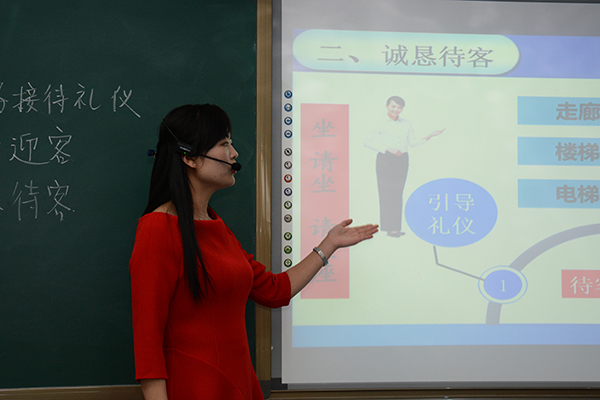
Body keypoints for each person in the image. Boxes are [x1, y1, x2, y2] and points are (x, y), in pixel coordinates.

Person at [129, 104, 378, 400]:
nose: (234, 154)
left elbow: (275, 290)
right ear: (189, 157)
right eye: (224, 144)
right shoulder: (158, 229)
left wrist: (329, 244)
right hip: (195, 388)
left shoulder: (215, 225)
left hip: (238, 384)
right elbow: (147, 342)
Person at [364, 96, 444, 237]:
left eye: (399, 107)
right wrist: (387, 149)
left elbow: (412, 142)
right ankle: (388, 227)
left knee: (397, 192)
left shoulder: (407, 123)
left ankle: (394, 228)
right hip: (385, 159)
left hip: (402, 160)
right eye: (393, 106)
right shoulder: (379, 122)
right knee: (385, 192)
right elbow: (367, 141)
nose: (396, 109)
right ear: (387, 106)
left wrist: (429, 136)